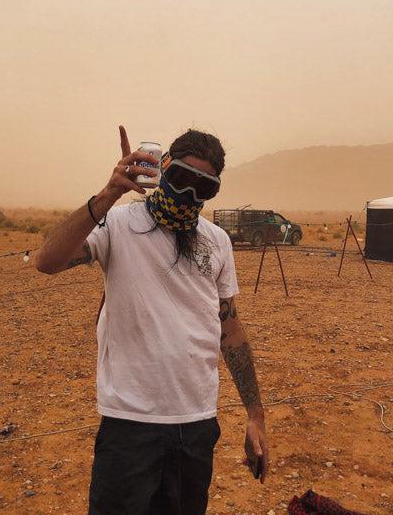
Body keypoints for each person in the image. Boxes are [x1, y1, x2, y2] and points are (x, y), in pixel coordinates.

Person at [35, 126, 269, 515]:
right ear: (163, 169)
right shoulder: (117, 224)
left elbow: (231, 331)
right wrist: (108, 194)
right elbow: (47, 261)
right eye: (181, 179)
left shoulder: (217, 241)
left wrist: (255, 415)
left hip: (196, 424)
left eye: (204, 188)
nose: (189, 195)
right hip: (131, 424)